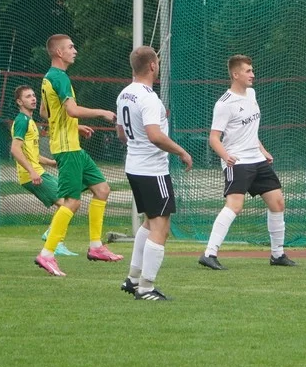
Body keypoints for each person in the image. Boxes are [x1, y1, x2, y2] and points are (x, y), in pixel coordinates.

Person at [34, 34, 120, 276]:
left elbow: (44, 111)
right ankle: (47, 254)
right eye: (71, 47)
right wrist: (102, 112)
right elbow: (71, 110)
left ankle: (96, 247)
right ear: (58, 53)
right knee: (72, 202)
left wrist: (74, 127)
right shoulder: (58, 77)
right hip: (67, 150)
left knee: (102, 189)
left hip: (73, 147)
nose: (75, 50)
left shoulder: (50, 77)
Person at [199, 55, 296, 270]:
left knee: (277, 202)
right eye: (248, 71)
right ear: (236, 74)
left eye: (252, 70)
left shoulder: (251, 94)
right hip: (238, 162)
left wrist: (263, 150)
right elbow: (214, 138)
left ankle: (277, 255)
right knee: (235, 205)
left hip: (257, 159)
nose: (252, 74)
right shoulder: (224, 104)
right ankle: (209, 253)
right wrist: (226, 156)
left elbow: (250, 131)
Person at [116, 46, 192, 300]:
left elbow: (120, 134)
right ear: (152, 66)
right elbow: (155, 135)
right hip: (152, 170)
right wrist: (181, 152)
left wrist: (137, 147)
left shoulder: (124, 94)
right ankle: (146, 288)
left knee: (149, 223)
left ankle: (132, 279)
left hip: (134, 167)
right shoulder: (148, 97)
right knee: (161, 227)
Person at [9, 85, 87, 257]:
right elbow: (15, 149)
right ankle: (55, 240)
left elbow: (33, 155)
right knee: (68, 203)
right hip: (32, 174)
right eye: (28, 96)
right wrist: (32, 172)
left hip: (36, 171)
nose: (33, 98)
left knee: (70, 203)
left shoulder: (30, 122)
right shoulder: (22, 120)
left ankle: (53, 237)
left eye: (34, 95)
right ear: (19, 102)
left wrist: (52, 163)